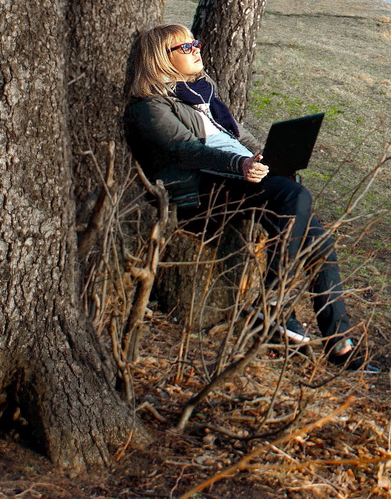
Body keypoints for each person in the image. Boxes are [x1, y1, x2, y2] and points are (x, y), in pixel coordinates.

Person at [123, 23, 372, 370]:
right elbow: (186, 151)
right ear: (159, 60)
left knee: (316, 238)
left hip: (233, 177)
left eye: (195, 43)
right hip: (200, 192)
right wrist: (239, 163)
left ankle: (338, 342)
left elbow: (237, 135)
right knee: (294, 195)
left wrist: (265, 159)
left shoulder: (200, 93)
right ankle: (273, 306)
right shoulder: (148, 106)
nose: (196, 49)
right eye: (185, 47)